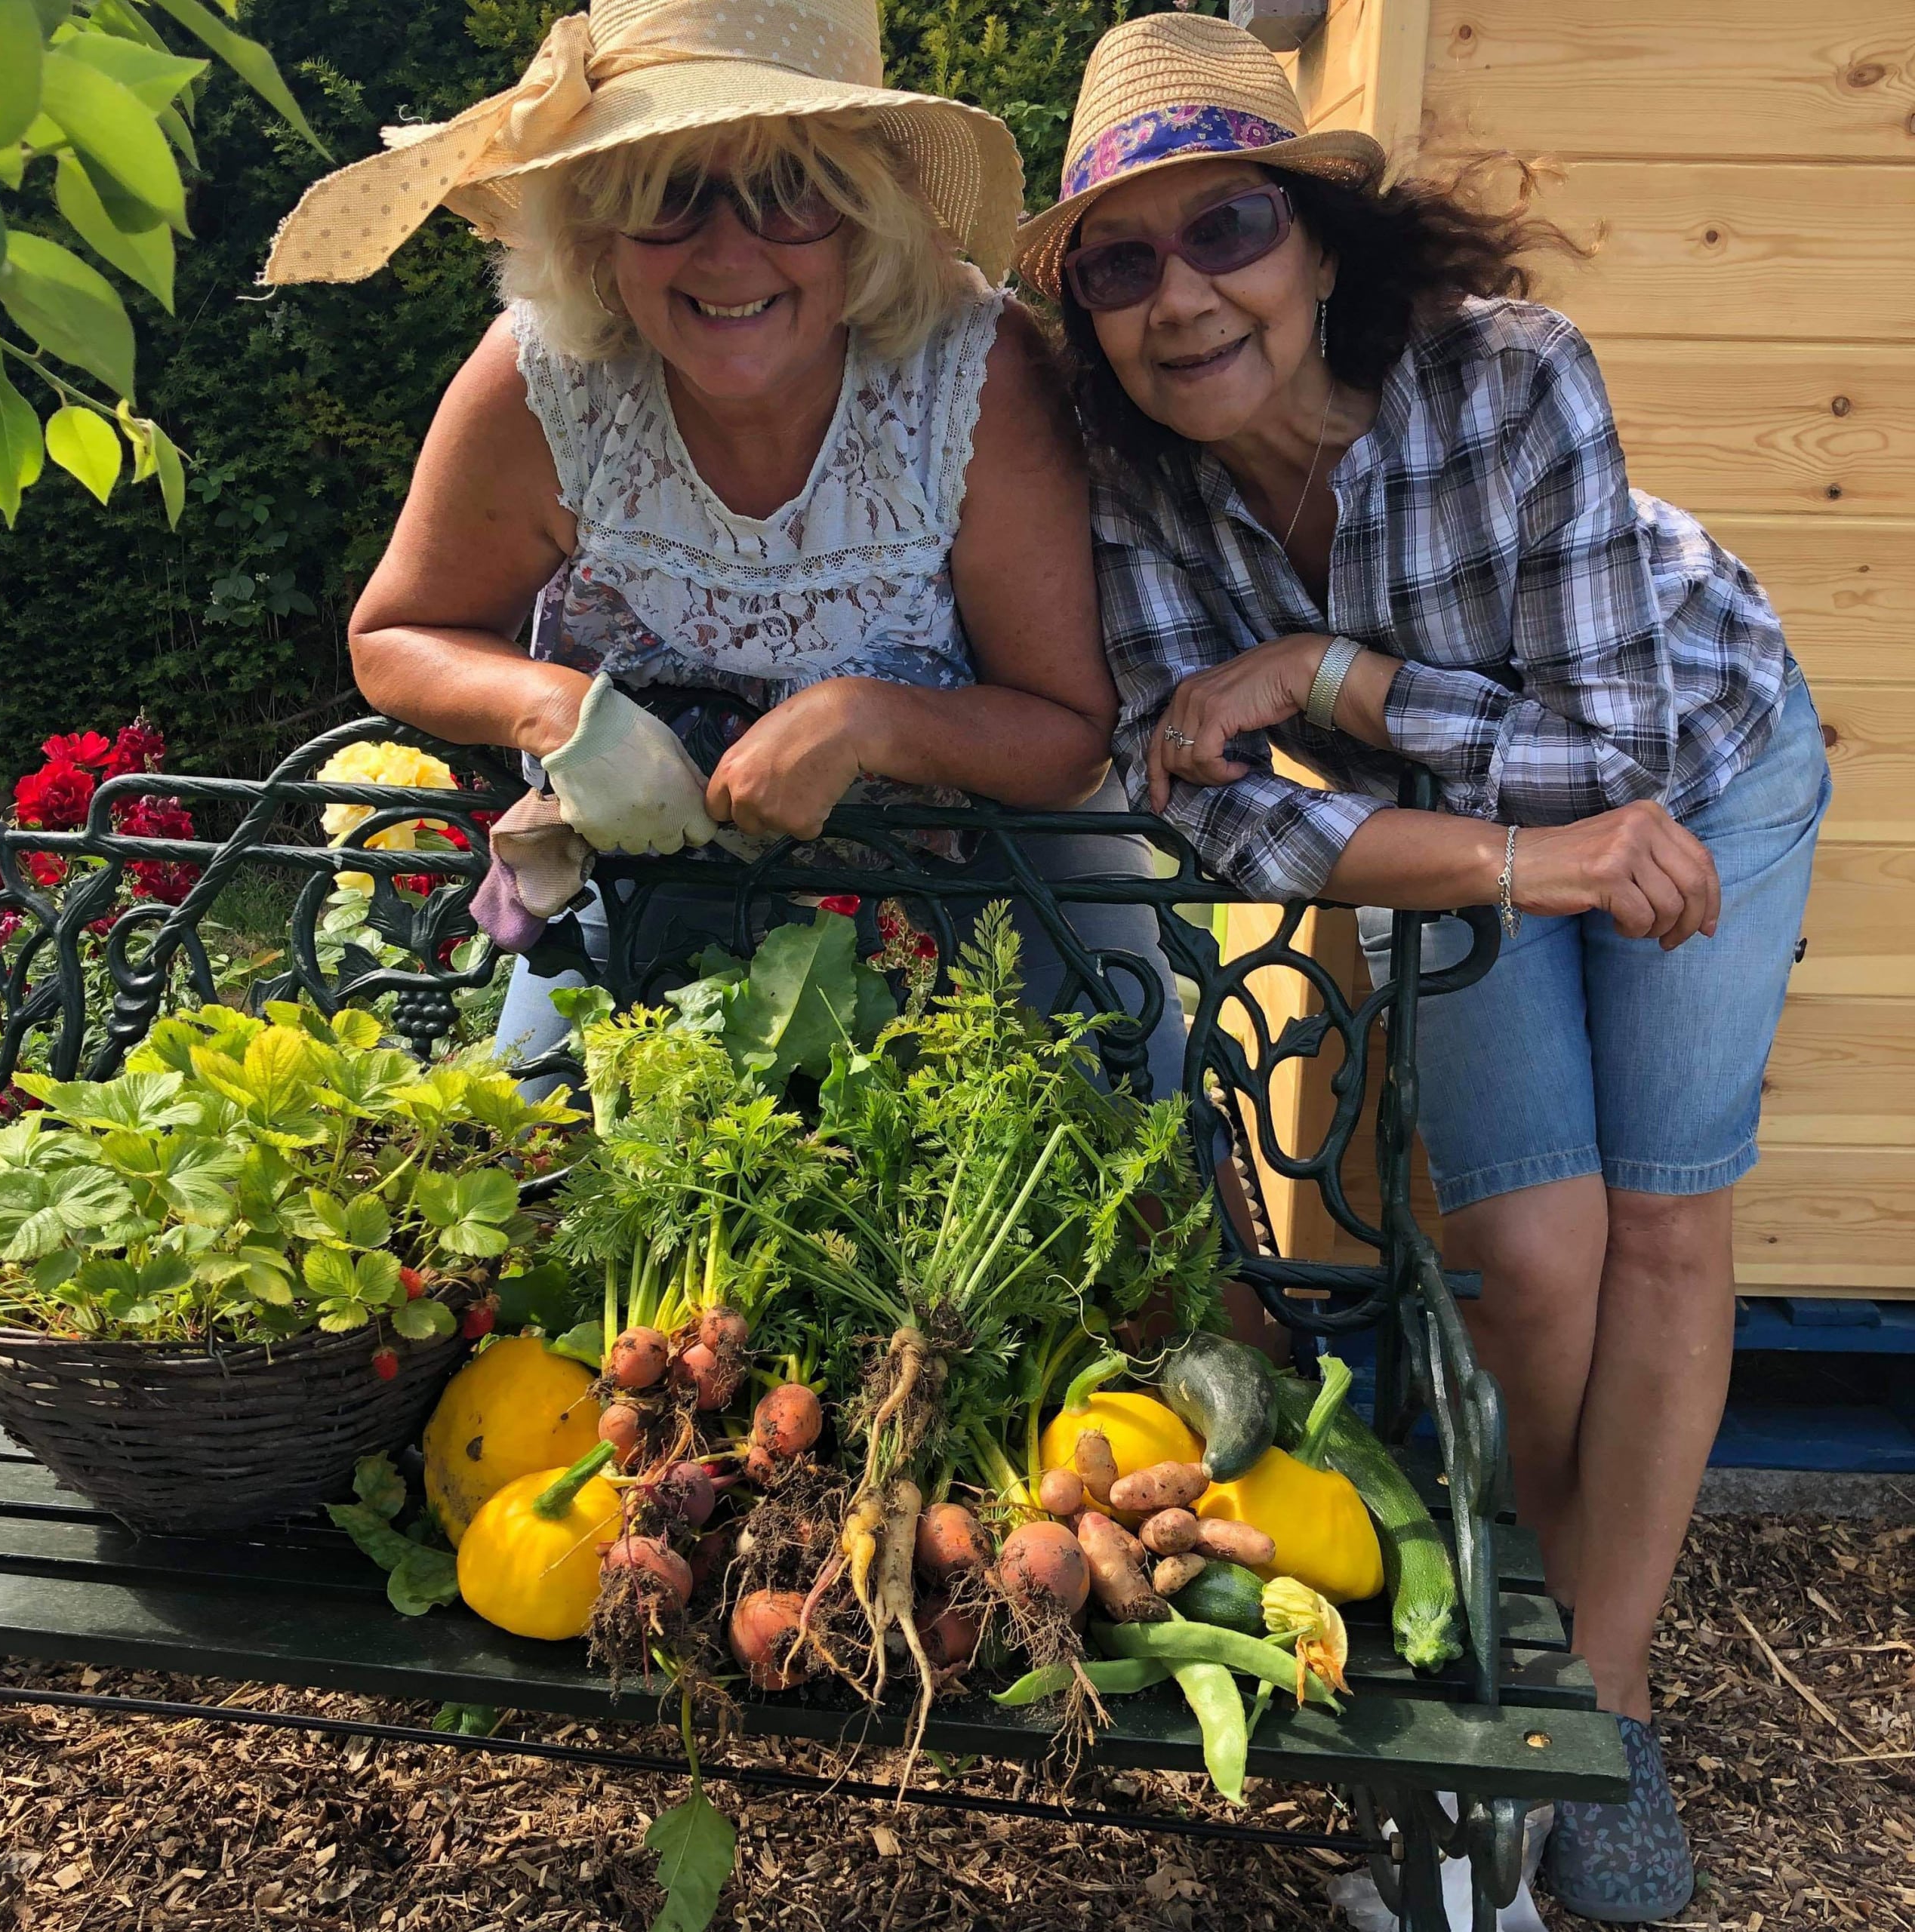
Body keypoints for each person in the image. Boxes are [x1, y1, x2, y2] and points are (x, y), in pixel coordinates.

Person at [1014, 15, 1830, 1921]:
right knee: (1528, 1262)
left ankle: (1589, 1703)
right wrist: (1503, 854)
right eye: (1119, 266)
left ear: (1313, 238)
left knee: (1664, 1223)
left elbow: (1620, 747)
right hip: (1473, 837)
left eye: (1222, 229)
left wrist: (1325, 678)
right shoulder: (1123, 472)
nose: (1179, 298)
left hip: (1711, 762)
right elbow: (1218, 813)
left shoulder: (1499, 377)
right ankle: (1520, 1629)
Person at [262, 0, 1184, 1097]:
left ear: (865, 215)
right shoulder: (542, 379)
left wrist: (861, 720)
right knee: (533, 1172)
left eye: (788, 192)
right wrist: (559, 711)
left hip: (979, 876)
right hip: (651, 873)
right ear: (598, 225)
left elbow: (1070, 737)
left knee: (1113, 1178)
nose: (727, 249)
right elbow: (398, 631)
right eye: (668, 194)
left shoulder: (973, 377)